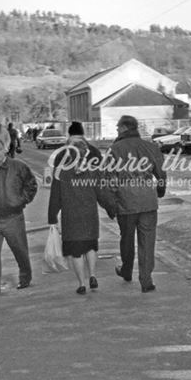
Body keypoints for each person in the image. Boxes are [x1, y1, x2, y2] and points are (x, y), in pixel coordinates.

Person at [49, 123, 115, 295]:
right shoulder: (92, 171)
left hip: (71, 216)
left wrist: (52, 216)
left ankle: (81, 284)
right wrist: (111, 208)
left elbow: (55, 196)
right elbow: (102, 193)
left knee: (76, 252)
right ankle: (93, 275)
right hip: (89, 214)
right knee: (91, 247)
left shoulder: (61, 172)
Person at [108, 115, 165, 293]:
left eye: (118, 127)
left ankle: (126, 269)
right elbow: (161, 174)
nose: (116, 129)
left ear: (125, 128)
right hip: (148, 200)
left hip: (126, 202)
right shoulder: (151, 147)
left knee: (126, 239)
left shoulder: (115, 149)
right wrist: (159, 191)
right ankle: (146, 279)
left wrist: (111, 202)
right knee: (147, 241)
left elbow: (109, 179)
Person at [0, 137, 38, 297]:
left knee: (20, 250)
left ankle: (25, 277)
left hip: (13, 216)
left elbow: (31, 184)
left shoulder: (18, 167)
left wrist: (21, 200)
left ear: (4, 149)